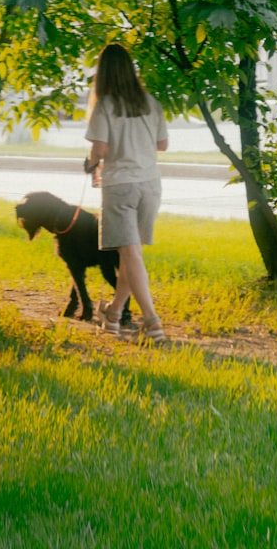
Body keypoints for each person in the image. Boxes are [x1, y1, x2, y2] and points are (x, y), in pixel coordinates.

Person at [84, 43, 168, 341]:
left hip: (119, 185)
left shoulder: (105, 105)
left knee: (130, 253)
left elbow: (101, 148)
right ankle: (114, 314)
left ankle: (151, 321)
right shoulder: (150, 102)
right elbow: (162, 145)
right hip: (150, 185)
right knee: (131, 254)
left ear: (102, 72)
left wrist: (89, 163)